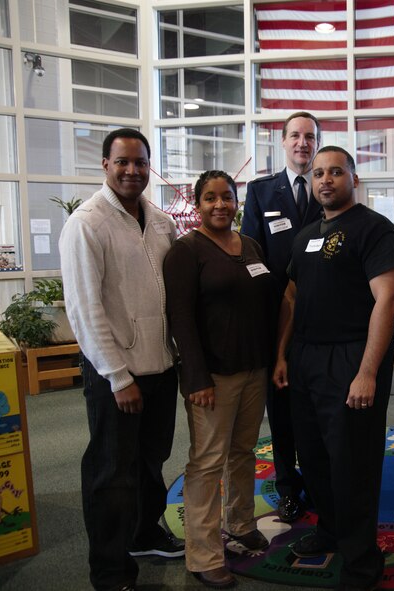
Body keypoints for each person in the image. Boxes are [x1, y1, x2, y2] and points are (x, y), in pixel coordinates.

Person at [272, 146, 394, 591]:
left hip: (352, 358)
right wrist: (281, 356)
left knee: (353, 462)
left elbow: (387, 299)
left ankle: (362, 560)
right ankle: (330, 529)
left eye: (335, 172)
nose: (326, 180)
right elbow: (292, 296)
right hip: (306, 358)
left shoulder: (375, 230)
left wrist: (367, 370)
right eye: (318, 173)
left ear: (353, 177)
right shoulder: (305, 234)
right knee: (313, 456)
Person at [59, 128, 184, 591]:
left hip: (160, 367)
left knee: (151, 461)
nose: (132, 170)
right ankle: (110, 571)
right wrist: (116, 376)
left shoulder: (160, 221)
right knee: (111, 473)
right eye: (122, 162)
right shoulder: (87, 223)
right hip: (118, 374)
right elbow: (84, 309)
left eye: (140, 162)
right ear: (105, 165)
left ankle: (144, 533)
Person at [164, 171, 278, 589]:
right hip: (210, 376)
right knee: (208, 462)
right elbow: (180, 319)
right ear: (197, 205)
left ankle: (241, 522)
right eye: (210, 198)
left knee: (243, 451)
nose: (219, 205)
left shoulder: (248, 245)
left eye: (227, 197)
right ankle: (204, 554)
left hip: (253, 369)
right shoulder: (185, 251)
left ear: (236, 202)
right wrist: (195, 376)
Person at [241, 111, 323, 523]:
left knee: (317, 408)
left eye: (310, 136)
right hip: (277, 322)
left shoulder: (329, 187)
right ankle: (288, 485)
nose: (302, 143)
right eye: (295, 136)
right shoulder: (260, 192)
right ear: (283, 142)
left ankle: (321, 482)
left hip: (324, 320)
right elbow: (250, 257)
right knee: (283, 409)